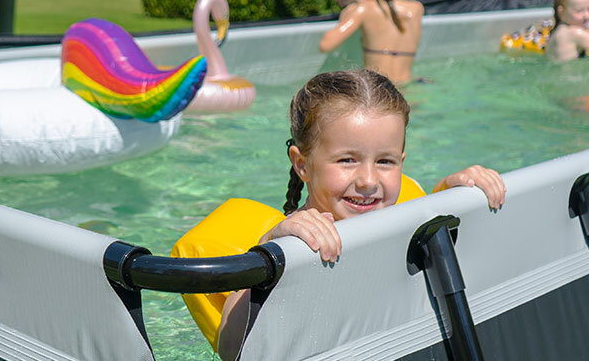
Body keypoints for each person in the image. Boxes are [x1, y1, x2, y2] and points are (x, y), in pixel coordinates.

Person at [216, 69, 506, 360]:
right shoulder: (296, 245)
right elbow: (231, 351)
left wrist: (455, 193)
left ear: (401, 162)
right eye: (347, 160)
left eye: (385, 161)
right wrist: (272, 251)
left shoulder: (395, 216)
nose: (368, 180)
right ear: (302, 165)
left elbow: (427, 218)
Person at [319, 0, 424, 84]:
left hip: (377, 94)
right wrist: (362, 1)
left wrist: (353, 9)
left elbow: (325, 44)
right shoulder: (416, 10)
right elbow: (390, 9)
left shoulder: (364, 10)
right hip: (407, 95)